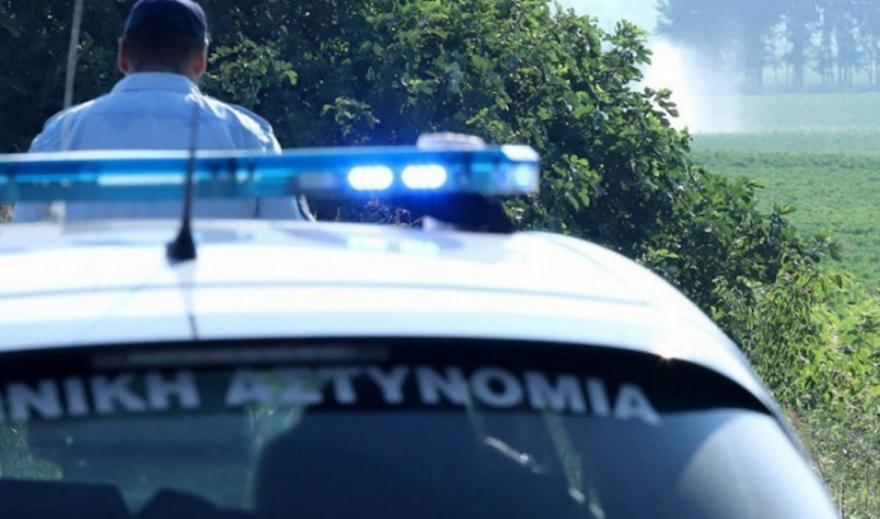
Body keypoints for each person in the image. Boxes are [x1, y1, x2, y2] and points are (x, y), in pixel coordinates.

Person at [19, 0, 300, 221]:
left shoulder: (59, 136)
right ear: (201, 59)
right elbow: (288, 243)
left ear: (123, 55)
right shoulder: (250, 138)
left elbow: (26, 245)